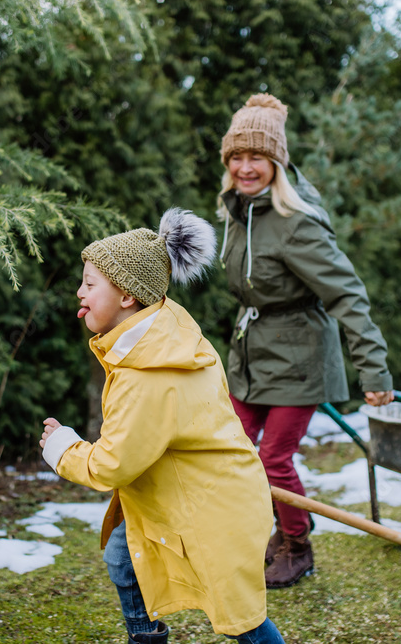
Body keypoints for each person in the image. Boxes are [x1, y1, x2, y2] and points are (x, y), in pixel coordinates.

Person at [39, 208, 286, 644]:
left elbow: (114, 463)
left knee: (240, 618)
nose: (79, 292)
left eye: (90, 284)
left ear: (129, 297)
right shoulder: (166, 328)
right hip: (187, 494)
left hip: (212, 510)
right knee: (122, 558)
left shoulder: (149, 374)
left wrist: (63, 448)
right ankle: (145, 636)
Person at [217, 93, 395, 589]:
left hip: (300, 358)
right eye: (237, 156)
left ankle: (297, 544)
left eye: (257, 156)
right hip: (251, 353)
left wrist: (373, 370)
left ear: (277, 161)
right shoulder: (237, 211)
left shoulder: (297, 224)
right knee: (228, 445)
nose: (246, 167)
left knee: (272, 458)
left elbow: (348, 295)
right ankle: (279, 522)